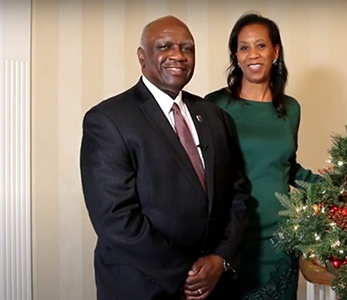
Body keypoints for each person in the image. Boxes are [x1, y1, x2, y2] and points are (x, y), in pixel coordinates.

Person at [80, 16, 249, 300]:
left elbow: (238, 194)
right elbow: (114, 217)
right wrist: (184, 272)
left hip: (214, 285)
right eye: (165, 46)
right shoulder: (108, 119)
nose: (178, 56)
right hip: (141, 285)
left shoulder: (215, 116)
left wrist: (220, 259)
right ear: (142, 56)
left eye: (187, 48)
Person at [205, 12, 320, 300]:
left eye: (261, 45)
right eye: (244, 47)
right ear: (236, 55)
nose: (252, 54)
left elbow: (286, 166)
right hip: (232, 236)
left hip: (281, 236)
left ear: (276, 51)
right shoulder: (214, 105)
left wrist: (330, 186)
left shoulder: (291, 109)